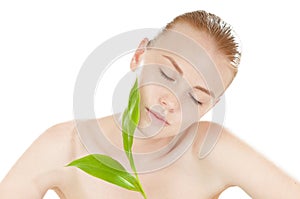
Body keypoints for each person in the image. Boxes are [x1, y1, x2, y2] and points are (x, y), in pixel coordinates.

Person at [0, 10, 299, 199]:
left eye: (196, 97)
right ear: (140, 55)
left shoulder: (210, 149)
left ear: (211, 105)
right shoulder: (65, 145)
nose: (170, 102)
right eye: (167, 74)